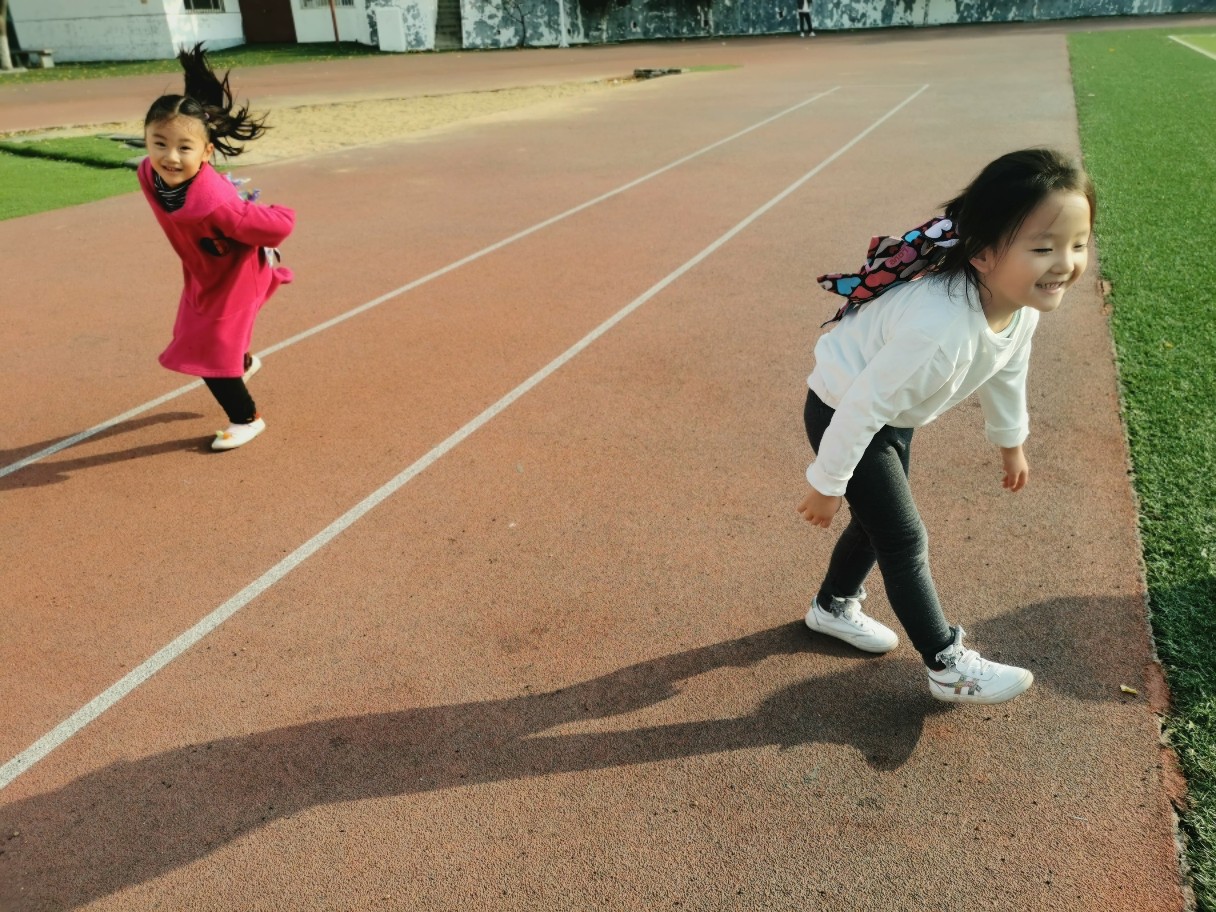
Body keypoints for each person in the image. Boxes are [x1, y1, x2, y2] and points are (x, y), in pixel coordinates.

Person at [797, 148, 1095, 704]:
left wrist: (1011, 442)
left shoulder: (1018, 306)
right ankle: (946, 665)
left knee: (877, 524)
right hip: (844, 408)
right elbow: (862, 406)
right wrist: (827, 482)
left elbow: (1008, 371)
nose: (1065, 263)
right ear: (982, 254)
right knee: (903, 537)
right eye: (1042, 248)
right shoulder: (939, 329)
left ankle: (832, 607)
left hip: (890, 413)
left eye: (1078, 244)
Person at [138, 43, 295, 451]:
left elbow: (279, 227)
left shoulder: (218, 203)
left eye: (184, 148)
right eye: (159, 143)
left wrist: (269, 211)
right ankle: (243, 362)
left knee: (206, 352)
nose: (170, 157)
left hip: (237, 277)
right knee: (201, 338)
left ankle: (247, 419)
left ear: (206, 152)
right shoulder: (147, 173)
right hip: (203, 272)